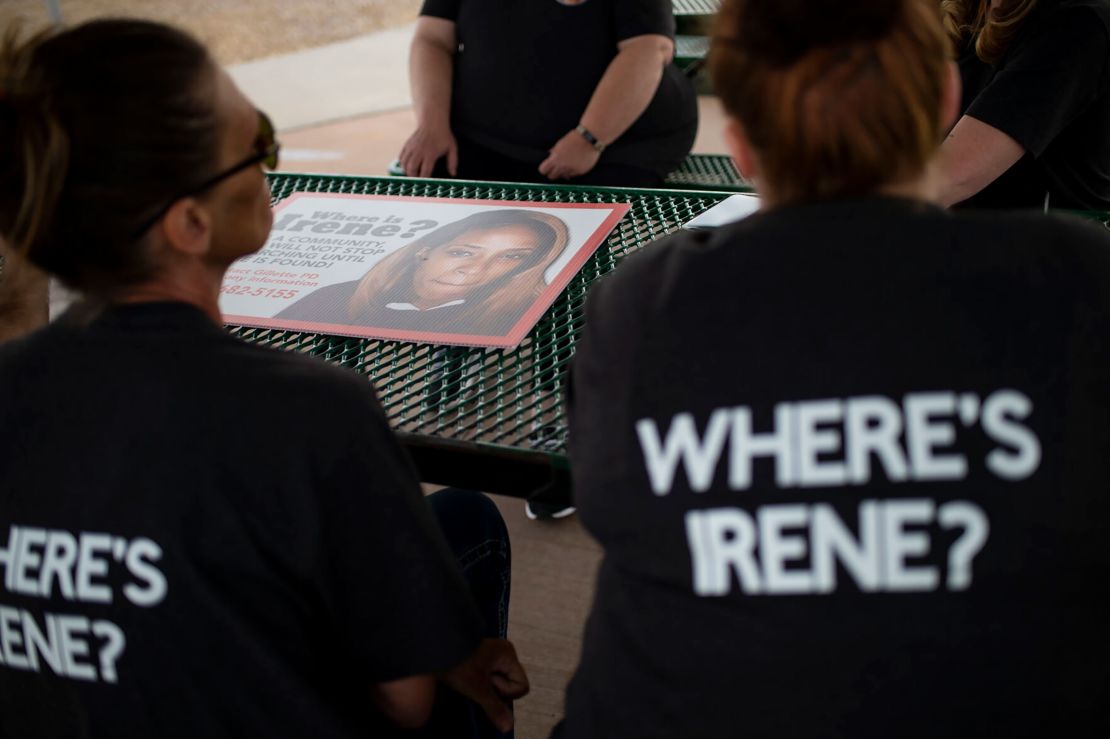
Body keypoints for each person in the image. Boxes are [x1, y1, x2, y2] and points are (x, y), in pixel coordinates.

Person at [555, 0, 1110, 737]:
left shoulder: (638, 304)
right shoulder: (1077, 280)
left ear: (742, 148)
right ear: (945, 99)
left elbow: (609, 499)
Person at [0, 19, 528, 739]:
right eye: (257, 148)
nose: (268, 167)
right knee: (467, 530)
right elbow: (403, 700)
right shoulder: (313, 410)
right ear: (189, 224)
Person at [396, 0, 698, 188]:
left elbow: (647, 48)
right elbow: (431, 39)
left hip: (615, 146)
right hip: (481, 139)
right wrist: (431, 125)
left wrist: (589, 138)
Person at [277, 209, 570, 337]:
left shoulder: (532, 317)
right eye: (463, 252)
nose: (476, 270)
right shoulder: (338, 296)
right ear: (424, 251)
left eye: (510, 258)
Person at [936, 0, 1110, 209]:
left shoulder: (1078, 23)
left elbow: (948, 177)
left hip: (1046, 238)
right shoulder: (966, 15)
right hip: (959, 233)